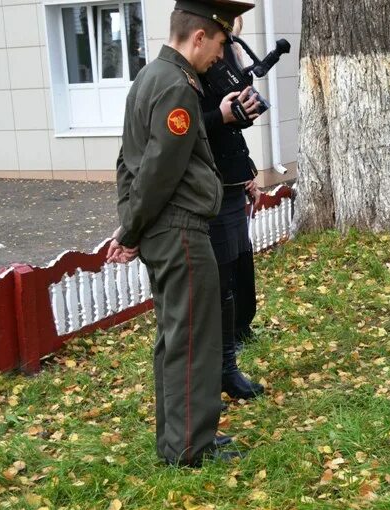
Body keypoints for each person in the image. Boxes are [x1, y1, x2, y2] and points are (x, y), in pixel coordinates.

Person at [107, 0, 255, 468]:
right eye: (218, 44)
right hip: (180, 229)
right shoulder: (175, 85)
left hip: (165, 229)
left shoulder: (150, 78)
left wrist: (132, 226)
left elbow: (127, 161)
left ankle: (178, 440)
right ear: (198, 37)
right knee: (194, 337)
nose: (220, 56)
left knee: (176, 337)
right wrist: (131, 231)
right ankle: (191, 447)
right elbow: (155, 171)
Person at [199, 15, 264, 400]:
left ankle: (237, 340)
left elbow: (232, 131)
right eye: (223, 43)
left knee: (240, 266)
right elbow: (194, 129)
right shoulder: (187, 76)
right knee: (222, 282)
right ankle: (225, 366)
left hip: (232, 182)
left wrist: (249, 171)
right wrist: (222, 116)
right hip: (213, 189)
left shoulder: (222, 62)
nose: (224, 52)